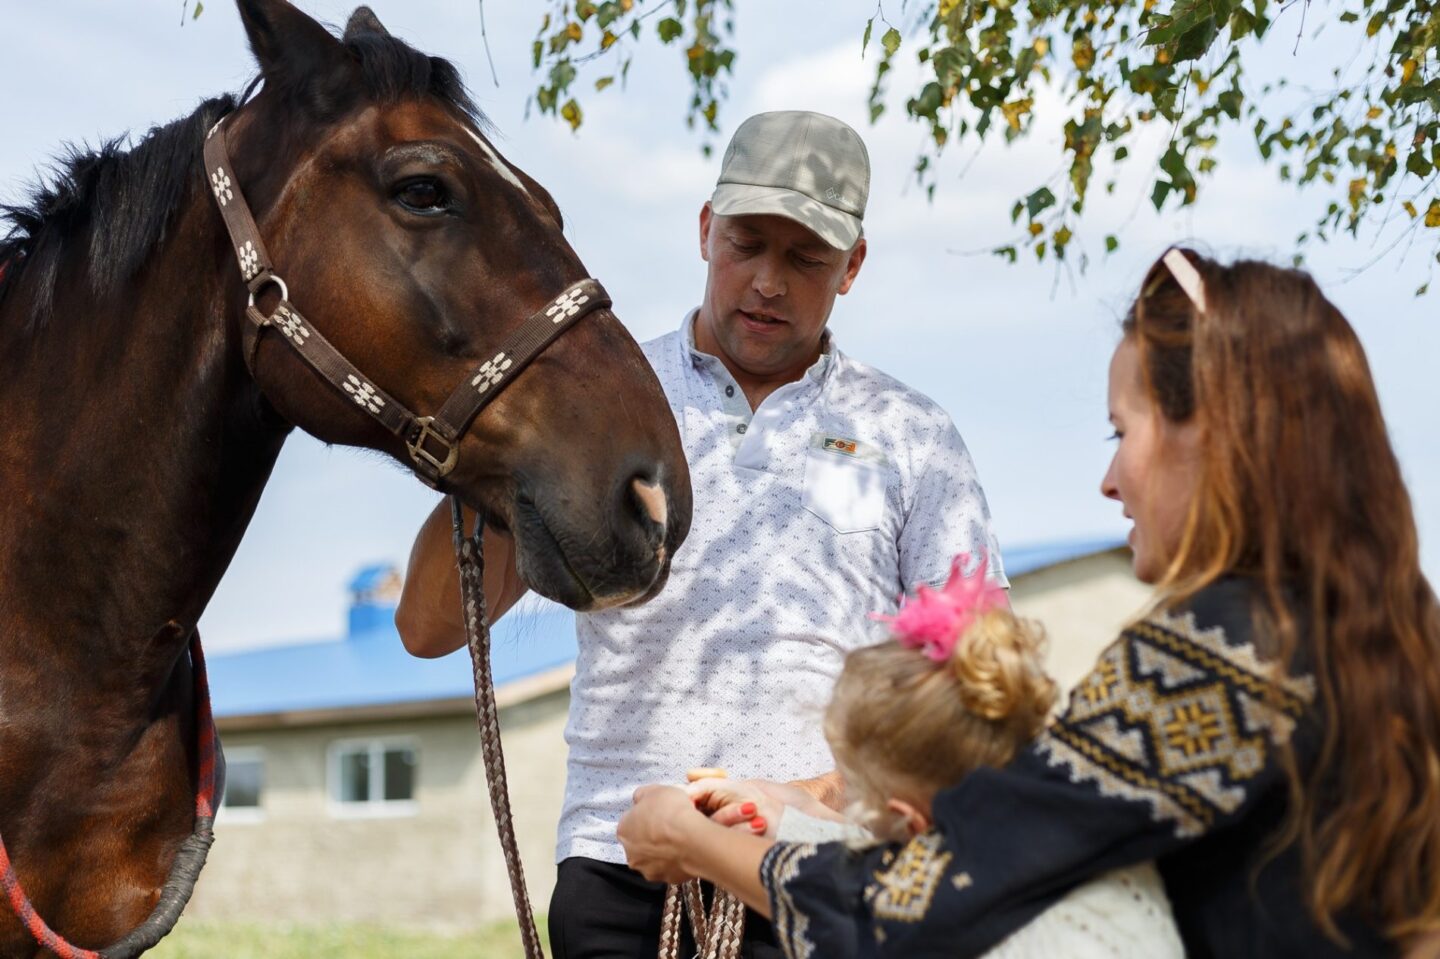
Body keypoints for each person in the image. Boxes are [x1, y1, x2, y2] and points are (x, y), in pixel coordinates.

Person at [617, 247, 1440, 956]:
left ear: (1215, 433)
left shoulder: (1222, 654)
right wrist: (796, 807)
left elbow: (934, 897)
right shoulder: (1380, 639)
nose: (1110, 480)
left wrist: (694, 842)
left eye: (1123, 431)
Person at [396, 110, 1007, 958]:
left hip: (825, 867)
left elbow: (976, 682)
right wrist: (503, 432)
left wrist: (816, 794)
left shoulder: (912, 434)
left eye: (805, 258)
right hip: (619, 868)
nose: (768, 281)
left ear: (853, 266)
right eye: (747, 243)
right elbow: (425, 628)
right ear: (704, 229)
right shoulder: (594, 403)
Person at [688, 551, 1186, 958]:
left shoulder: (958, 925)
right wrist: (774, 806)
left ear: (910, 822)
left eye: (856, 799)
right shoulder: (1064, 836)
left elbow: (867, 878)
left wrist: (691, 839)